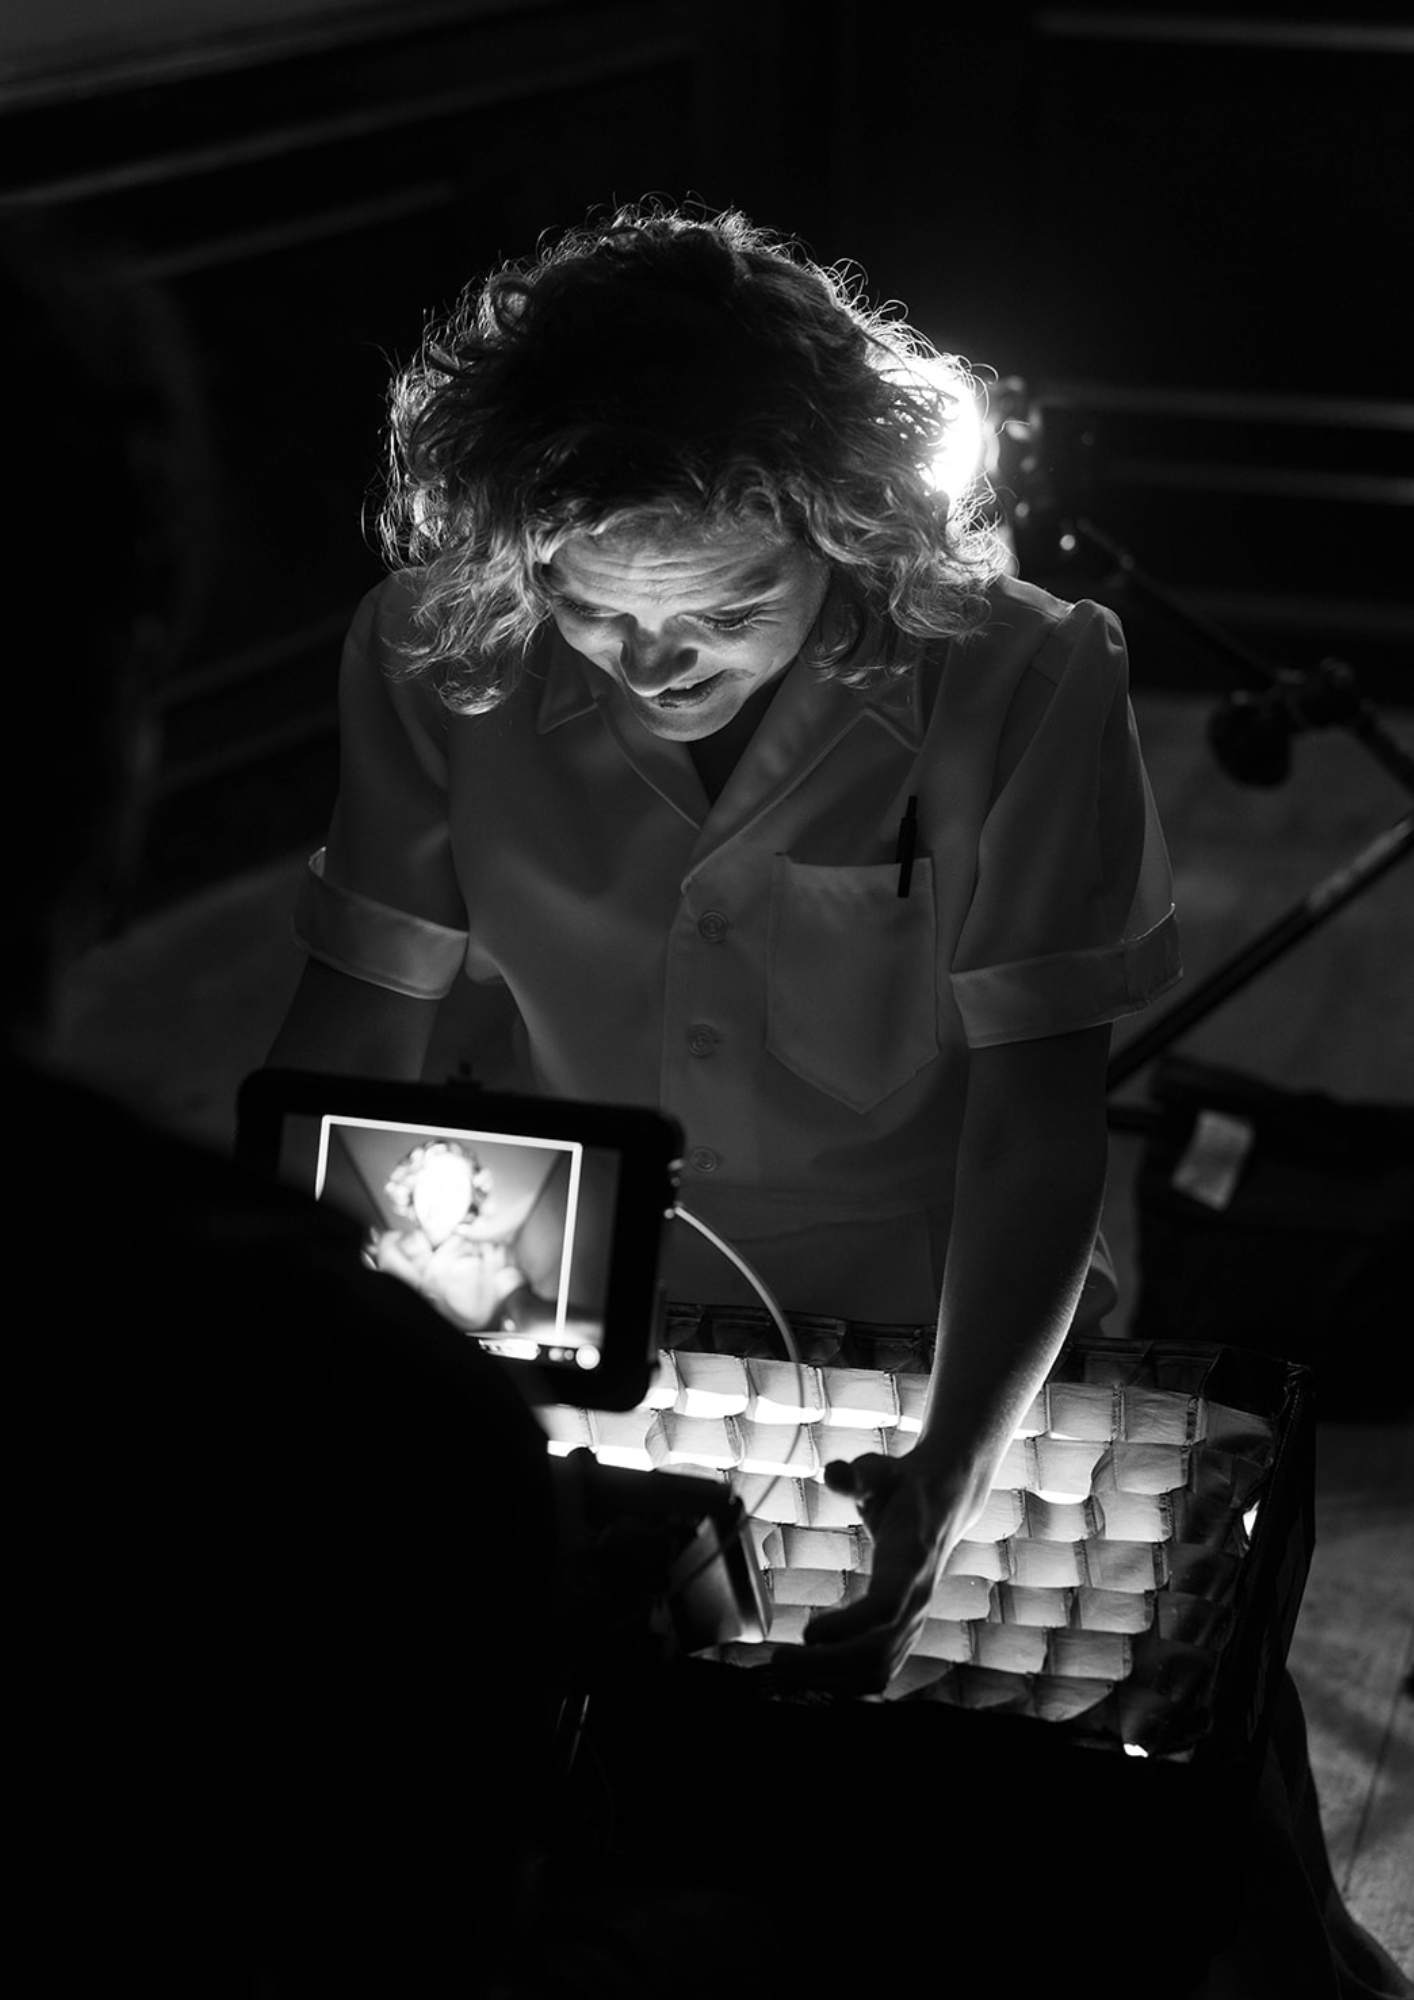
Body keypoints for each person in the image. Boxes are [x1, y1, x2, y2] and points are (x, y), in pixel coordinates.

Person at [269, 201, 1184, 1698]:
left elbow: (1033, 1118)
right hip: (547, 1287)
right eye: (586, 604)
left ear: (844, 525)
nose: (649, 664)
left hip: (925, 1319)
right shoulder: (438, 655)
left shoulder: (1017, 673)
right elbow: (354, 1028)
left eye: (723, 608)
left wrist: (952, 1467)